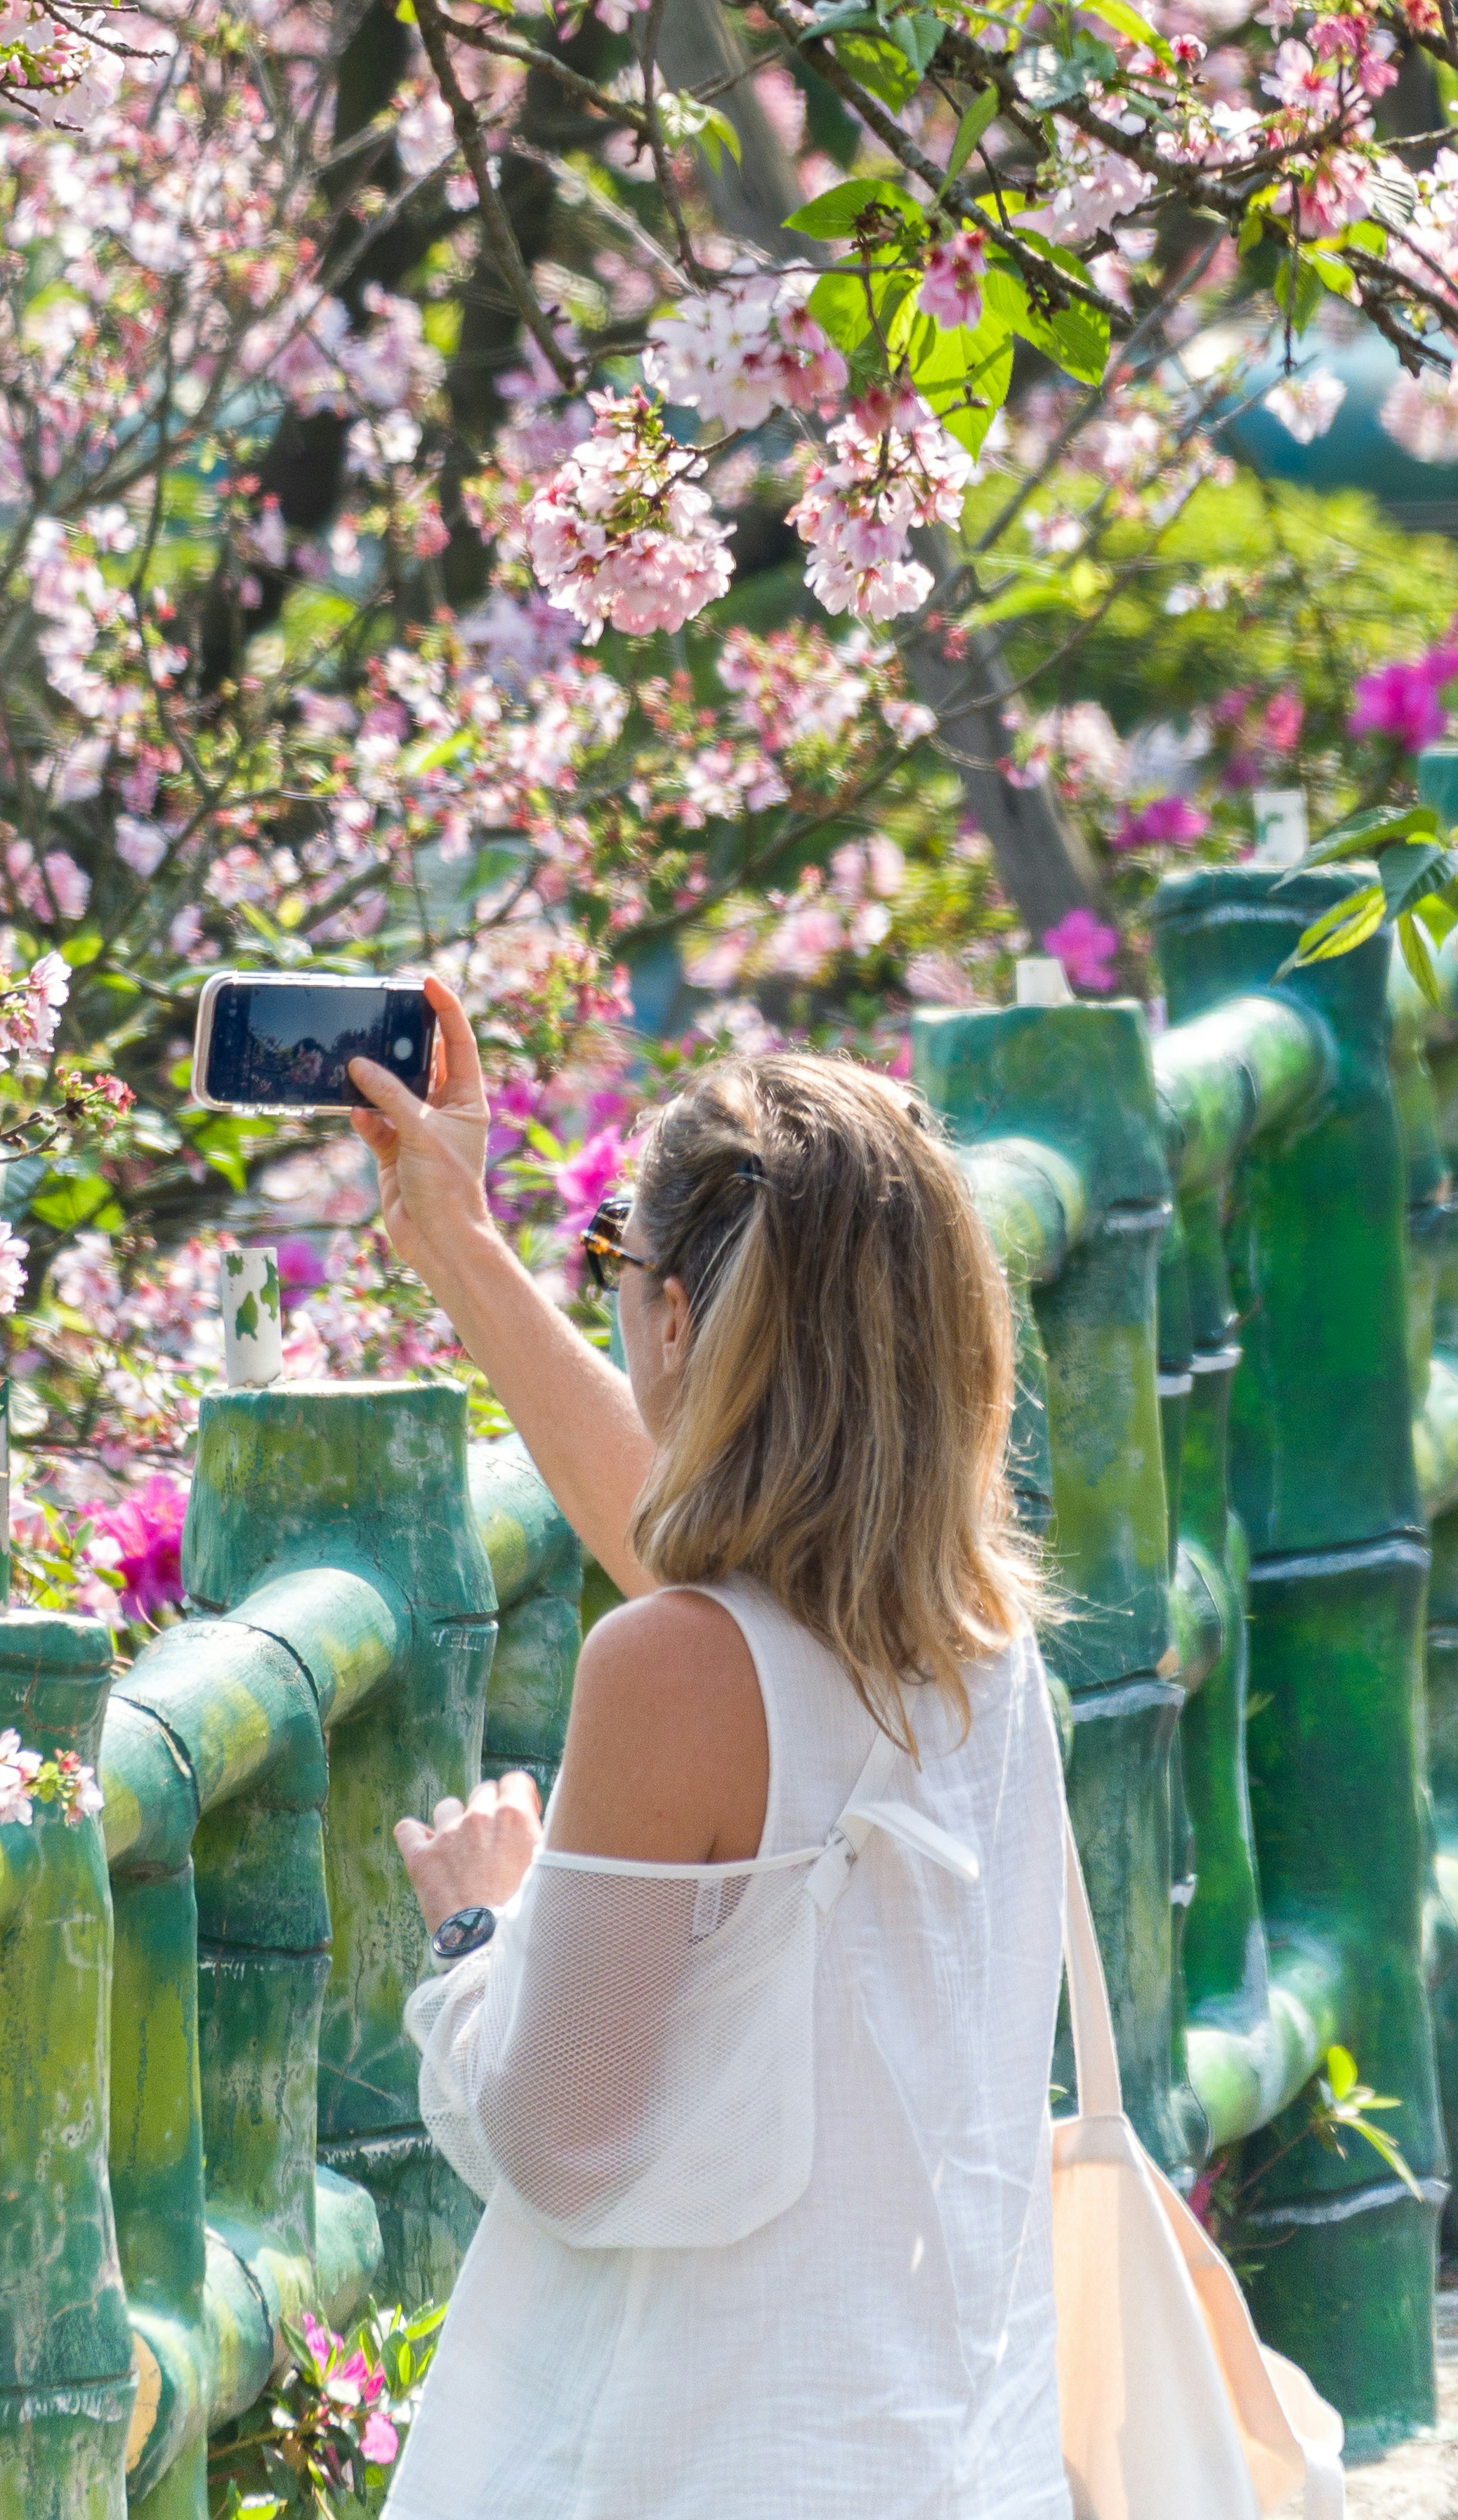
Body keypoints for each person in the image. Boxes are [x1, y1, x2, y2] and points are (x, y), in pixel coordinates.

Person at [345, 988, 1067, 2520]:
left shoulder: (679, 1666)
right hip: (927, 2446)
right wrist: (457, 1246)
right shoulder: (978, 1646)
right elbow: (705, 1598)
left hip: (693, 2452)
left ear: (676, 1320)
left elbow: (556, 2142)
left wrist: (479, 1929)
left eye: (617, 1275)